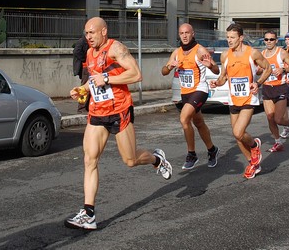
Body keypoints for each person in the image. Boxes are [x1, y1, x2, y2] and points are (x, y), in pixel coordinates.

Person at [65, 17, 172, 230]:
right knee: (89, 160)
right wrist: (83, 89)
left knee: (130, 160)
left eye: (92, 33)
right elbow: (93, 78)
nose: (89, 37)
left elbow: (136, 74)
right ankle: (88, 213)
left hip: (119, 110)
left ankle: (157, 160)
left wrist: (107, 79)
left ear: (104, 31)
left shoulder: (116, 48)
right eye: (86, 33)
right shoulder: (89, 52)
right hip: (97, 112)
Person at [209, 23, 271, 179]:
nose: (229, 40)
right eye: (228, 37)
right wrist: (217, 83)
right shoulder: (225, 55)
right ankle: (252, 162)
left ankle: (254, 145)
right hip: (233, 99)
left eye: (232, 37)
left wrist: (258, 83)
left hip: (249, 98)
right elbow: (223, 77)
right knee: (237, 136)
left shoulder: (253, 53)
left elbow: (268, 68)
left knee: (238, 131)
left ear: (241, 38)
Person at [162, 23, 220, 169]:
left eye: (187, 33)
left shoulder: (199, 50)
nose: (185, 36)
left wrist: (210, 66)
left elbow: (217, 70)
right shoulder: (176, 52)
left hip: (200, 90)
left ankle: (192, 154)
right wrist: (169, 66)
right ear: (179, 35)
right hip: (186, 93)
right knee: (199, 123)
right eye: (182, 33)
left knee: (184, 118)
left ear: (192, 33)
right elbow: (163, 71)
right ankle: (212, 150)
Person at [258, 31, 289, 152]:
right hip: (267, 88)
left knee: (279, 119)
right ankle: (278, 142)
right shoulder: (262, 54)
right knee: (270, 117)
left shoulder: (281, 53)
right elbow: (258, 71)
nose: (269, 41)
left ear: (276, 40)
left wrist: (283, 69)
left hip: (280, 87)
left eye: (271, 39)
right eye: (266, 39)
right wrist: (261, 70)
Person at [73, 35, 90, 112]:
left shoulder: (86, 41)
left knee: (88, 87)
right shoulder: (82, 41)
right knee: (84, 87)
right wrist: (84, 59)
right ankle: (81, 108)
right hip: (86, 67)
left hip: (89, 67)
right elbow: (76, 51)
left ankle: (85, 106)